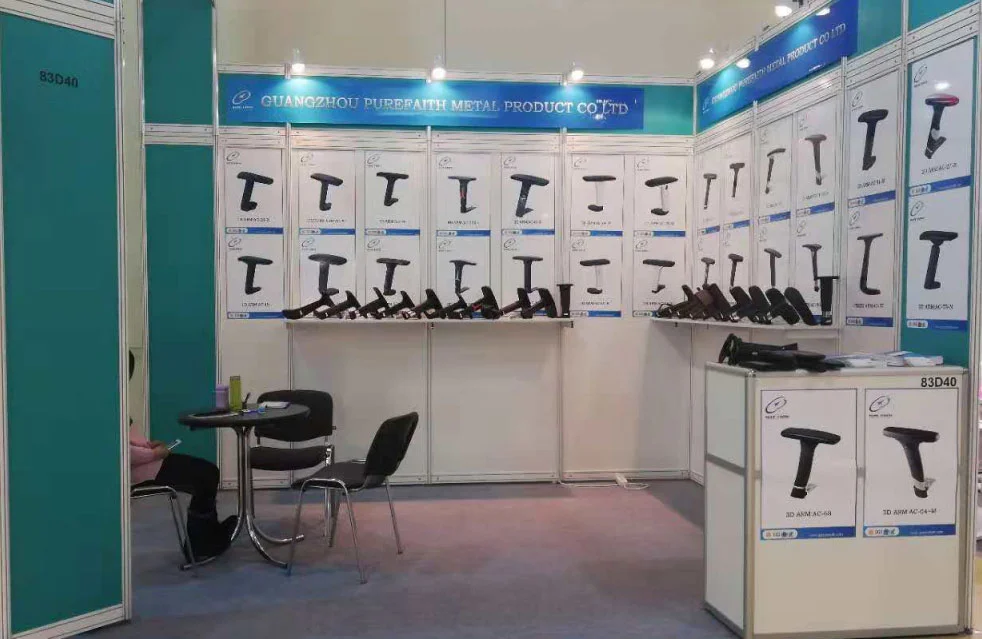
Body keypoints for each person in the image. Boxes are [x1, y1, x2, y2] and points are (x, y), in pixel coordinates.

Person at [129, 352, 236, 560]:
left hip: (149, 462)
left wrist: (149, 446)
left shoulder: (112, 401)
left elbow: (128, 444)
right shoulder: (107, 408)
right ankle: (201, 546)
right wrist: (154, 453)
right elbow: (125, 454)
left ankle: (208, 536)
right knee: (206, 474)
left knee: (207, 472)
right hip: (144, 471)